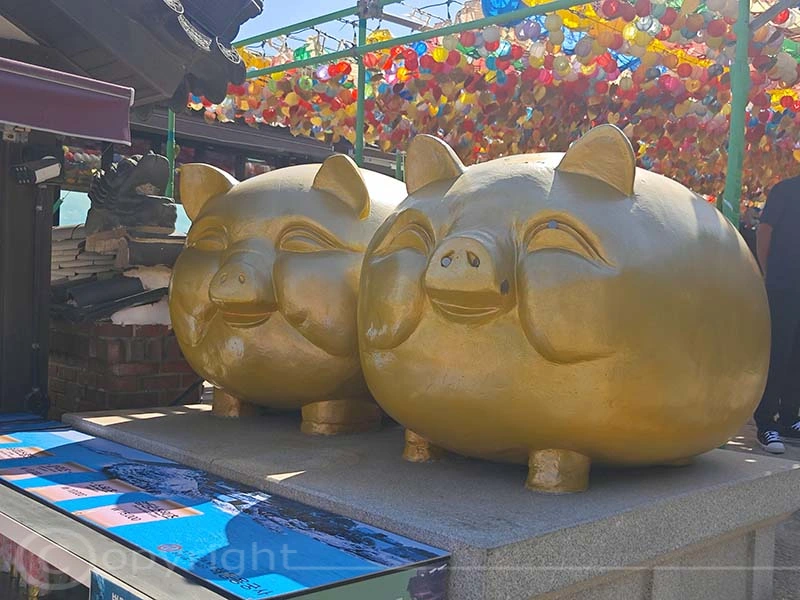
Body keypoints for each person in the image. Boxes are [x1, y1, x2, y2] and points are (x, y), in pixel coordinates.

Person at [753, 174, 800, 454]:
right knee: (778, 354)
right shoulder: (785, 190)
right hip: (782, 286)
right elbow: (764, 230)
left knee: (797, 356)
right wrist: (767, 272)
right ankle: (765, 422)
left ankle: (790, 417)